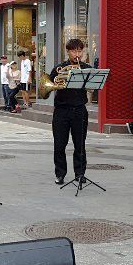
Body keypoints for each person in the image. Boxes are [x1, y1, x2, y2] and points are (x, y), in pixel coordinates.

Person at [51, 39, 91, 185]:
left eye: (80, 51)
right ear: (68, 52)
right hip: (61, 111)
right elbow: (48, 86)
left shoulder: (87, 69)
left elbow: (93, 87)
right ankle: (60, 174)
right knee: (59, 145)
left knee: (80, 145)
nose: (77, 54)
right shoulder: (59, 69)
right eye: (74, 51)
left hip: (79, 110)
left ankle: (80, 174)